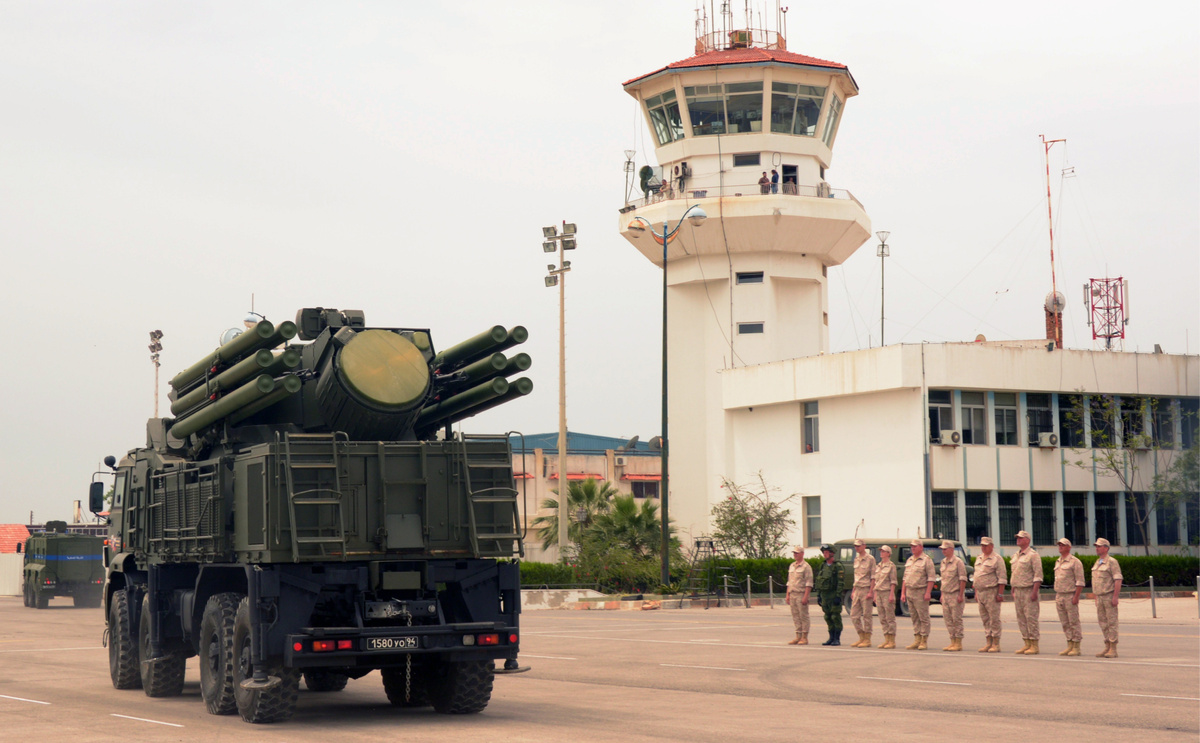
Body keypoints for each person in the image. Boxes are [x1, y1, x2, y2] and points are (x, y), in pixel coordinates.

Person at [971, 536, 1007, 652]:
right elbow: (977, 577)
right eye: (982, 545)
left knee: (994, 618)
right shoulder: (979, 558)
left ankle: (996, 643)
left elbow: (1002, 578)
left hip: (992, 591)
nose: (983, 547)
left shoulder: (997, 559)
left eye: (986, 545)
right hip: (981, 592)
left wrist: (1000, 594)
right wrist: (976, 592)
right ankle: (988, 642)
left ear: (991, 546)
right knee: (985, 619)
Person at [1010, 530, 1043, 655]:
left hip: (1029, 590)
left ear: (1027, 540)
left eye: (1021, 538)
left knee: (1031, 617)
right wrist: (1013, 588)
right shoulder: (1016, 555)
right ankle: (1026, 643)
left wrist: (1034, 591)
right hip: (1018, 590)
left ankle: (1034, 644)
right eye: (1017, 537)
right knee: (1021, 618)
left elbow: (1038, 575)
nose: (1018, 539)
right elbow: (1014, 574)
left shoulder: (1033, 555)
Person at [900, 539, 935, 650]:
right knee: (914, 617)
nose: (913, 548)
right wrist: (903, 592)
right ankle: (917, 639)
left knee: (923, 617)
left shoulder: (926, 560)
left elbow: (931, 578)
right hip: (910, 591)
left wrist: (928, 592)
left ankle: (924, 640)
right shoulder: (910, 560)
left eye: (915, 546)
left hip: (920, 591)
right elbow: (905, 577)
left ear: (921, 547)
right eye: (912, 546)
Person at [1091, 537, 1123, 658]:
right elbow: (1096, 581)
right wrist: (1095, 596)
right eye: (1096, 546)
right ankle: (1107, 645)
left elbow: (1118, 579)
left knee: (1111, 622)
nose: (1097, 548)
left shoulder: (1112, 562)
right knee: (1103, 623)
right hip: (1099, 597)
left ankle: (1113, 648)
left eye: (1099, 546)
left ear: (1106, 548)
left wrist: (1115, 596)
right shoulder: (1098, 562)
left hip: (1109, 596)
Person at [1052, 538, 1085, 656]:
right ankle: (1069, 644)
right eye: (1059, 545)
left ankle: (1076, 646)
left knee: (1073, 621)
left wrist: (1076, 596)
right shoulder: (1058, 561)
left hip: (1070, 595)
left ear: (1069, 547)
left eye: (1063, 545)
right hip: (1059, 595)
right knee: (1064, 622)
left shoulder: (1075, 562)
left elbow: (1080, 581)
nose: (1060, 546)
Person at [938, 540, 967, 651]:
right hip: (945, 594)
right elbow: (943, 580)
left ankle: (958, 643)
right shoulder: (943, 562)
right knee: (948, 619)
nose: (943, 551)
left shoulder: (958, 562)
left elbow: (963, 579)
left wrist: (960, 595)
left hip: (955, 594)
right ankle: (952, 641)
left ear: (951, 549)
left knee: (956, 619)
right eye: (942, 549)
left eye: (945, 549)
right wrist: (941, 594)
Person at [815, 544, 846, 646]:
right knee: (827, 617)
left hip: (833, 595)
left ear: (832, 553)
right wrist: (819, 595)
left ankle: (837, 638)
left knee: (835, 616)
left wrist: (838, 596)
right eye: (824, 552)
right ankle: (831, 638)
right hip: (825, 595)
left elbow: (840, 582)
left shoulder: (837, 566)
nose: (825, 554)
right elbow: (820, 580)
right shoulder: (823, 565)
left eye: (827, 552)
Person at [849, 539, 877, 647]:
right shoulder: (856, 559)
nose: (857, 548)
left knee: (867, 615)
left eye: (859, 546)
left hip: (866, 589)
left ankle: (867, 639)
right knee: (854, 615)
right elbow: (856, 576)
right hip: (857, 589)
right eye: (855, 546)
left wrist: (871, 591)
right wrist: (853, 590)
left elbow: (873, 577)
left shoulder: (870, 559)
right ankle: (861, 636)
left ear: (864, 546)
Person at [785, 545, 813, 645]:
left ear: (802, 554)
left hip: (801, 594)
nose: (795, 555)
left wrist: (806, 596)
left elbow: (809, 583)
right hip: (792, 593)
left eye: (797, 553)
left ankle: (804, 637)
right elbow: (789, 582)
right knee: (795, 616)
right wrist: (787, 594)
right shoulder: (792, 565)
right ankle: (798, 636)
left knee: (803, 616)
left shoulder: (806, 567)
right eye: (794, 553)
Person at [873, 544, 898, 648]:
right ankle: (886, 639)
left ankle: (892, 640)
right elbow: (876, 581)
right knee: (882, 617)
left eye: (883, 551)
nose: (881, 553)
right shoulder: (878, 566)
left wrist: (892, 594)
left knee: (889, 617)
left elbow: (893, 581)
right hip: (878, 592)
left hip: (887, 592)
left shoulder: (891, 566)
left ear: (888, 553)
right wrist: (874, 594)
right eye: (881, 551)